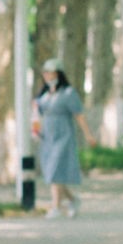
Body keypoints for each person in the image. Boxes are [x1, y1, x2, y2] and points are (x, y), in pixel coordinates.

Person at [33, 59, 93, 218]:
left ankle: (56, 207)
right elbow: (36, 115)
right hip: (47, 136)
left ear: (58, 73)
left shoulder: (68, 93)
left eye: (50, 72)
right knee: (52, 173)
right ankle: (72, 200)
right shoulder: (44, 95)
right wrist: (35, 130)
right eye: (45, 73)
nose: (47, 75)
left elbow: (78, 115)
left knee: (55, 169)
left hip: (63, 135)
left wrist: (88, 135)